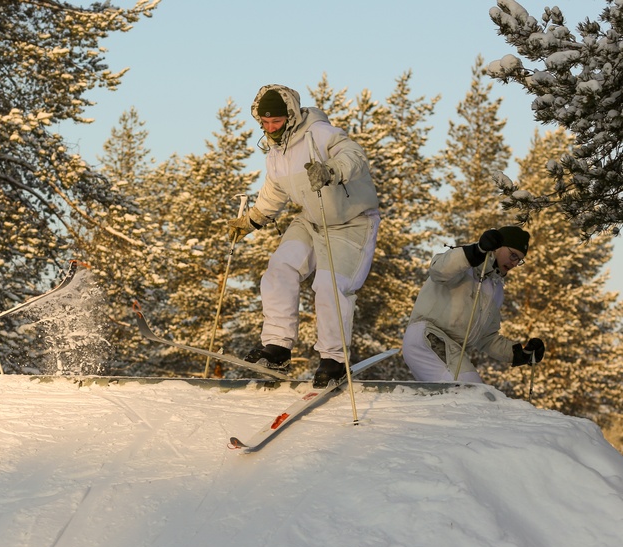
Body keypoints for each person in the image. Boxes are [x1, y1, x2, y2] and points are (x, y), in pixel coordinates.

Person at [226, 84, 381, 387]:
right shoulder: (276, 152)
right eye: (265, 123)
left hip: (351, 222)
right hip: (312, 221)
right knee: (280, 268)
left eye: (277, 122)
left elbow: (355, 156)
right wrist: (252, 221)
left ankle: (333, 360)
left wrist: (331, 170)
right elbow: (274, 190)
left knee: (329, 286)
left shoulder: (319, 132)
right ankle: (277, 348)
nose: (271, 128)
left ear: (291, 116)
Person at [402, 226, 545, 382]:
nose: (515, 263)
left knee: (473, 395)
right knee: (470, 391)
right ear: (498, 247)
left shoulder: (495, 290)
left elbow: (486, 338)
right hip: (427, 337)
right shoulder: (466, 264)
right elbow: (438, 271)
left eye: (519, 260)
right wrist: (476, 251)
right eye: (513, 255)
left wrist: (519, 354)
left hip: (449, 348)